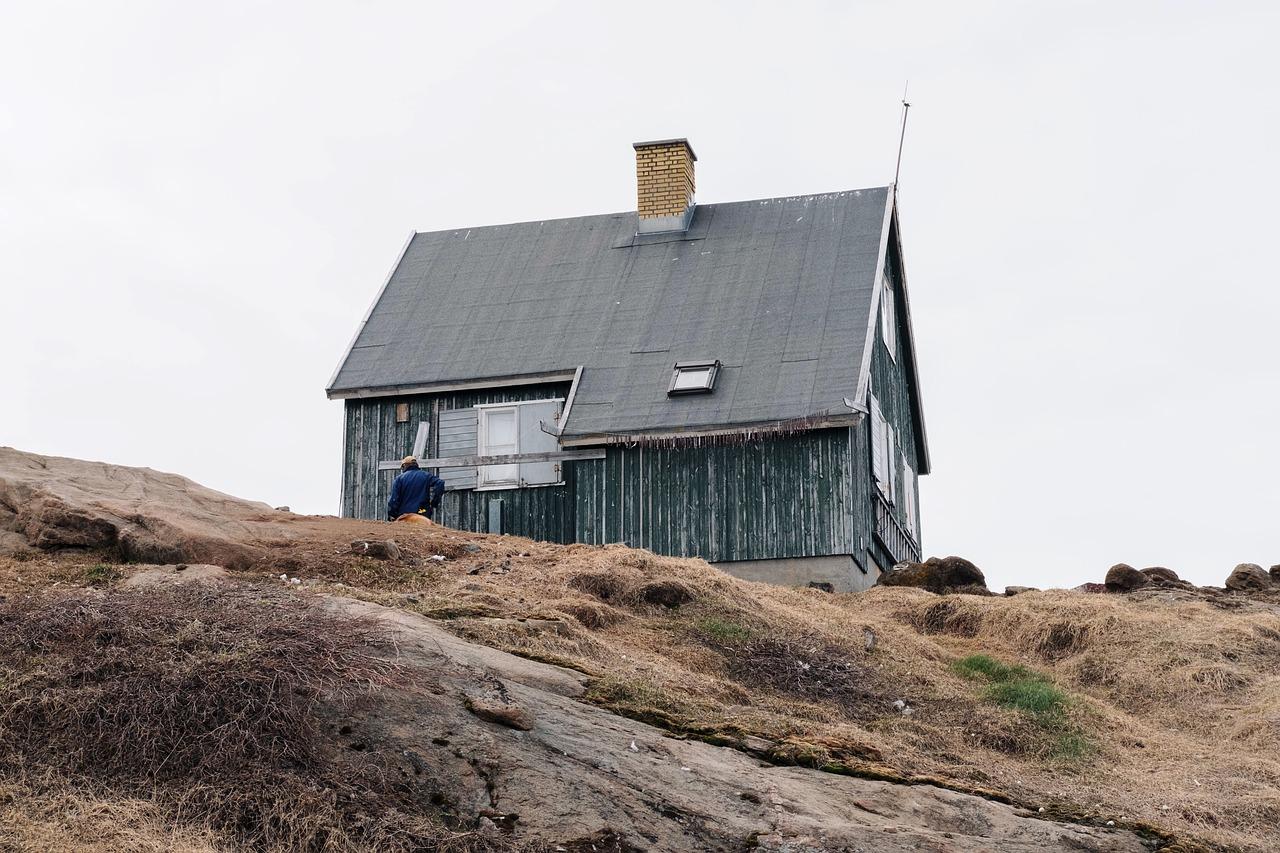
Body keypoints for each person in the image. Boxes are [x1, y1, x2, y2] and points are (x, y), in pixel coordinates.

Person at [387, 456, 446, 521]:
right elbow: (440, 483)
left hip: (405, 516)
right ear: (416, 465)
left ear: (405, 465)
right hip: (423, 513)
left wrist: (392, 514)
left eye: (402, 467)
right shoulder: (426, 475)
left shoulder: (399, 479)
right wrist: (434, 502)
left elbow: (394, 500)